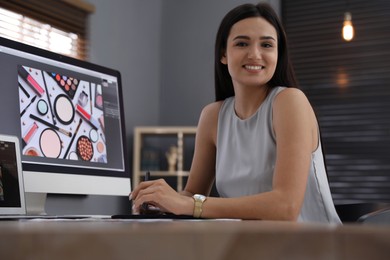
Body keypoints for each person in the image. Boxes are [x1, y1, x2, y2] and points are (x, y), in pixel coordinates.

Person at [130, 2, 341, 223]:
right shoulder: (212, 116)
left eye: (267, 45)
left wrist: (190, 204)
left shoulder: (290, 101)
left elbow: (285, 207)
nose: (255, 54)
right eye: (242, 43)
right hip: (250, 246)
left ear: (278, 54)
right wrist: (161, 202)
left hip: (313, 248)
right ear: (223, 54)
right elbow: (191, 195)